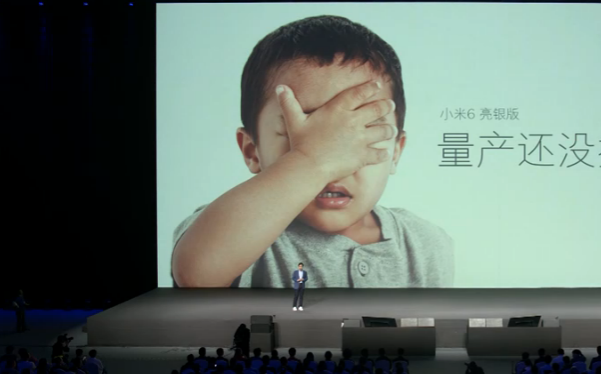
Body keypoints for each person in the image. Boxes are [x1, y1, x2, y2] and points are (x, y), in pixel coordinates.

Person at [171, 15, 455, 289]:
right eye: (303, 134)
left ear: (395, 151)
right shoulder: (234, 232)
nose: (336, 163)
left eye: (362, 131)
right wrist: (311, 160)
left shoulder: (424, 243)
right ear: (251, 151)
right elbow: (196, 274)